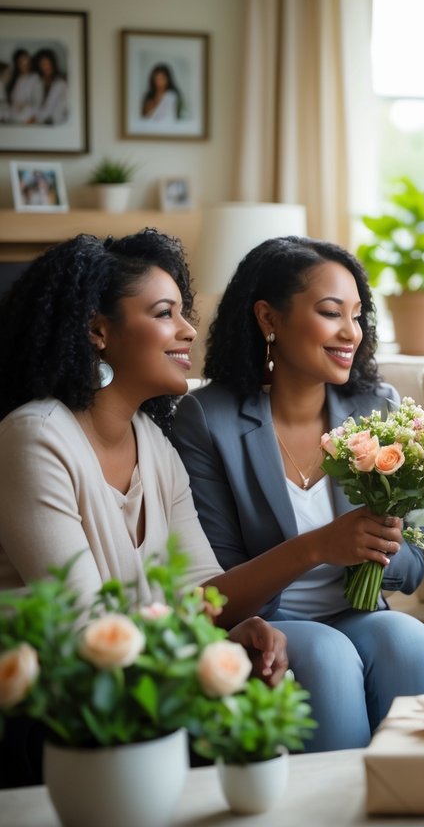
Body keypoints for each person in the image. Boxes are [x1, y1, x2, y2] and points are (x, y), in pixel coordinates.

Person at [0, 231, 289, 784]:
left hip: (134, 680)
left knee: (263, 690)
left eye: (184, 313)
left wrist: (238, 631)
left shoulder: (154, 444)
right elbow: (84, 630)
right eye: (165, 313)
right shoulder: (35, 439)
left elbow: (200, 589)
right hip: (52, 702)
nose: (187, 331)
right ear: (97, 330)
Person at [170, 237, 424, 752]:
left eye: (358, 315)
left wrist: (379, 547)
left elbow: (413, 566)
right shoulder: (208, 421)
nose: (350, 332)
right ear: (269, 318)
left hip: (359, 611)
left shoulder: (379, 407)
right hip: (270, 623)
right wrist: (319, 546)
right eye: (330, 312)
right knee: (328, 655)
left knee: (404, 638)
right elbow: (220, 595)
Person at [31, 48, 67, 125]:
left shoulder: (60, 83)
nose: (46, 67)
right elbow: (35, 103)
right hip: (39, 119)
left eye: (48, 63)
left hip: (54, 122)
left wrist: (33, 120)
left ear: (53, 63)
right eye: (42, 64)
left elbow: (49, 109)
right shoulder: (39, 81)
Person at [5, 49, 42, 123]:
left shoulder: (35, 78)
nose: (25, 65)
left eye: (27, 61)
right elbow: (12, 99)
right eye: (21, 62)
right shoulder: (15, 79)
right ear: (17, 64)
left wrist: (25, 107)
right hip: (12, 113)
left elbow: (38, 102)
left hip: (27, 114)